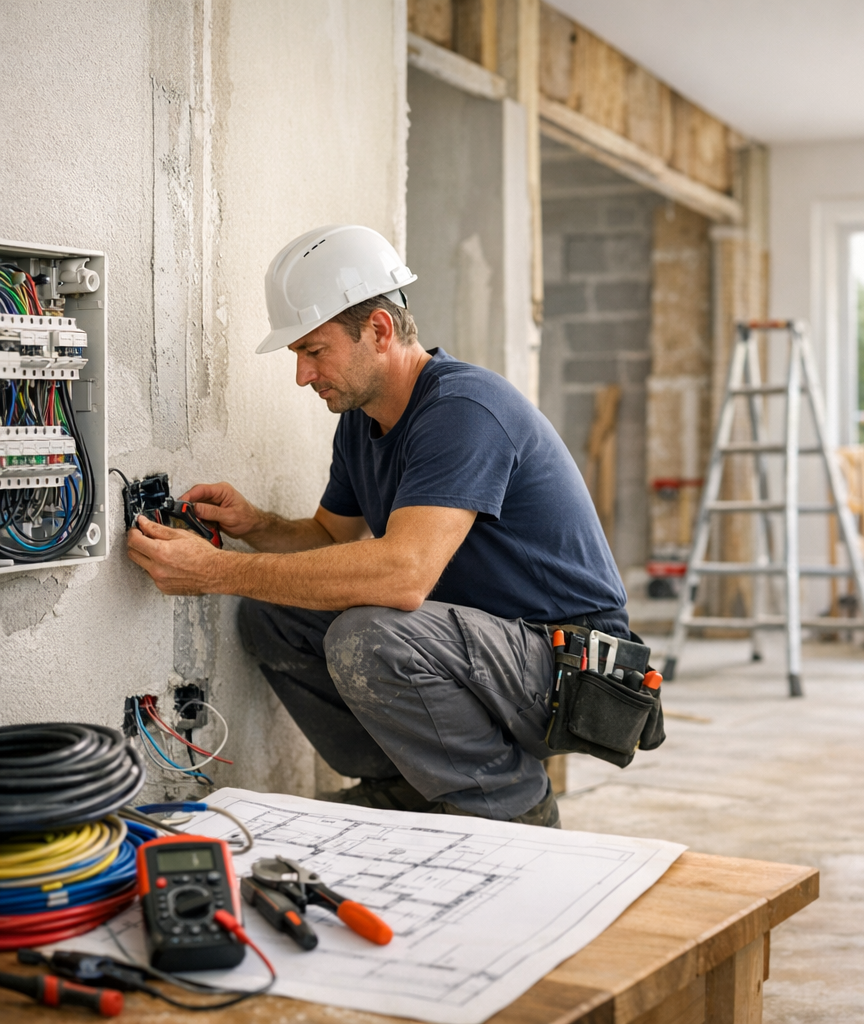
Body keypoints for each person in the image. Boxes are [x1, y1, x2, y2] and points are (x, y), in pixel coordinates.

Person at [126, 225, 629, 828]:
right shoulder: (362, 423)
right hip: (492, 647)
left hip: (573, 670)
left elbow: (402, 576)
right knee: (276, 618)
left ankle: (513, 808)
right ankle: (405, 786)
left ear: (379, 331)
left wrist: (216, 571)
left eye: (314, 351)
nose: (302, 375)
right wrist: (253, 524)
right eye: (298, 356)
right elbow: (334, 541)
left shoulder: (463, 410)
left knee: (369, 634)